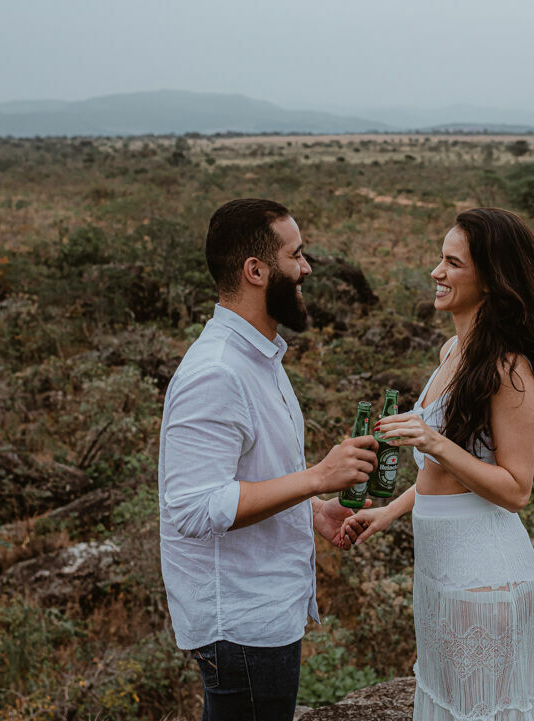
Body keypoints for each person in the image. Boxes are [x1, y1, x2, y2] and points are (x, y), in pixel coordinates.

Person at [158, 198, 378, 721]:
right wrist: (319, 476)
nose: (306, 269)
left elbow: (251, 479)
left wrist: (315, 508)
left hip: (263, 613)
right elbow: (192, 507)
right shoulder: (216, 373)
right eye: (295, 256)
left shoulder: (259, 355)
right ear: (255, 271)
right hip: (240, 625)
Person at [341, 208, 534, 721]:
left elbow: (515, 489)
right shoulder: (452, 350)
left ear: (490, 279)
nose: (436, 272)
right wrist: (390, 511)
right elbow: (449, 475)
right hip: (439, 572)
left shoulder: (510, 369)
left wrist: (433, 441)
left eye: (452, 262)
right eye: (440, 259)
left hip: (484, 578)